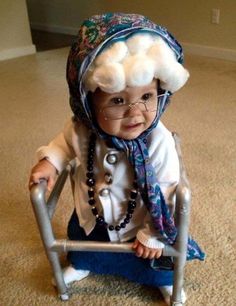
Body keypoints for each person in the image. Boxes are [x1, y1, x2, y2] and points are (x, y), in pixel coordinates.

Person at [29, 13, 204, 305]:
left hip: (141, 222)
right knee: (86, 244)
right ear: (88, 103)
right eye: (118, 101)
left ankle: (162, 280)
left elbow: (169, 191)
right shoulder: (81, 129)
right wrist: (50, 162)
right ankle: (86, 263)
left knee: (151, 259)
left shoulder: (157, 140)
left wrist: (152, 234)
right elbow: (61, 146)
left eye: (147, 96)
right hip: (93, 215)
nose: (136, 113)